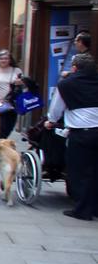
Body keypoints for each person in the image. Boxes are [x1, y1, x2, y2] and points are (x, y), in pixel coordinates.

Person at [46, 53, 98, 220]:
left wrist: (51, 121)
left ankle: (83, 209)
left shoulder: (66, 84)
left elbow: (56, 110)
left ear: (74, 68)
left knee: (80, 172)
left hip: (81, 133)